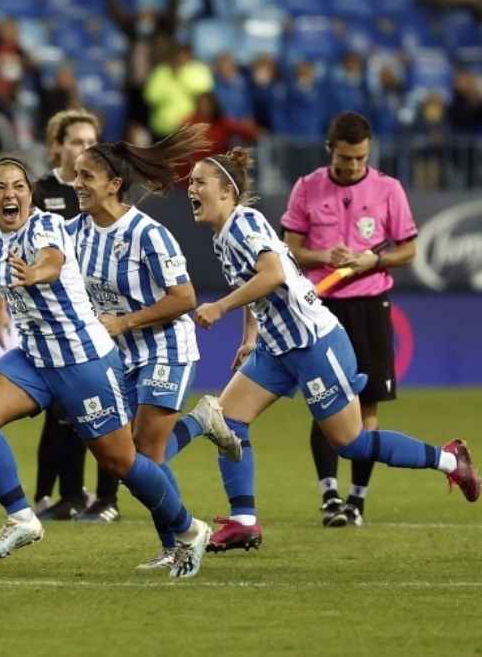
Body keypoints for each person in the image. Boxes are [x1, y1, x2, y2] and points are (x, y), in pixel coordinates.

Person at [0, 154, 214, 578]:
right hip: (33, 358)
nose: (10, 194)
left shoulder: (46, 226)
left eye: (19, 187)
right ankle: (22, 519)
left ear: (30, 195)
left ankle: (190, 530)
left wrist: (35, 274)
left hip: (83, 359)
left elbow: (53, 260)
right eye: (0, 187)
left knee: (121, 462)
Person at [184, 146, 479, 552]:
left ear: (227, 192)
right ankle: (244, 522)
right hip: (277, 347)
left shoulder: (243, 223)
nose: (191, 188)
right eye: (191, 181)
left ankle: (450, 460)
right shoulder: (225, 236)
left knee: (351, 443)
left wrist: (219, 306)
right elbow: (258, 285)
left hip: (314, 343)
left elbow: (270, 274)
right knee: (226, 421)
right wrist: (249, 336)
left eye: (200, 181)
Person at [66, 135, 240, 569]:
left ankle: (178, 543)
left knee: (144, 454)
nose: (76, 183)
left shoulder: (147, 234)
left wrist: (124, 322)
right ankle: (200, 423)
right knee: (122, 459)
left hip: (165, 347)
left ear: (113, 183)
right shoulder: (73, 234)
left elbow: (184, 297)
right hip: (119, 355)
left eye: (86, 176)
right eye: (75, 175)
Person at [280, 112, 419, 527]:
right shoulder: (306, 188)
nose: (354, 166)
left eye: (360, 158)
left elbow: (408, 249)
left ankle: (356, 502)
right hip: (321, 308)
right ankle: (328, 496)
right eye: (346, 159)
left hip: (370, 304)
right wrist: (326, 256)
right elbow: (289, 248)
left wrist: (373, 259)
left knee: (368, 404)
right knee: (324, 403)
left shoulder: (388, 189)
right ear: (330, 150)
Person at [0, 108, 108, 522]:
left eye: (92, 142)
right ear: (56, 147)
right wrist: (2, 302)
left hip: (101, 308)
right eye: (77, 142)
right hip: (56, 313)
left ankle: (99, 498)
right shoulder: (36, 193)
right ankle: (57, 494)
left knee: (96, 406)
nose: (85, 150)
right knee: (65, 408)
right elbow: (10, 253)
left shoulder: (101, 192)